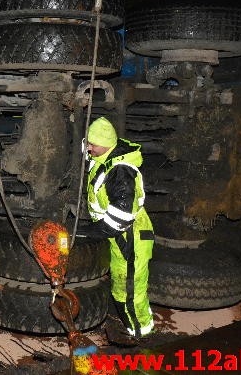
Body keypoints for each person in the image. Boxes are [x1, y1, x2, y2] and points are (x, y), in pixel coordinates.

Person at [84, 117, 154, 338]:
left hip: (130, 236)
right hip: (120, 237)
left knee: (130, 290)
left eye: (92, 144)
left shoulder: (120, 171)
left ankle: (141, 335)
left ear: (105, 144)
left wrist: (93, 232)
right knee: (121, 284)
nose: (88, 148)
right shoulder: (104, 157)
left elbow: (122, 215)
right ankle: (133, 326)